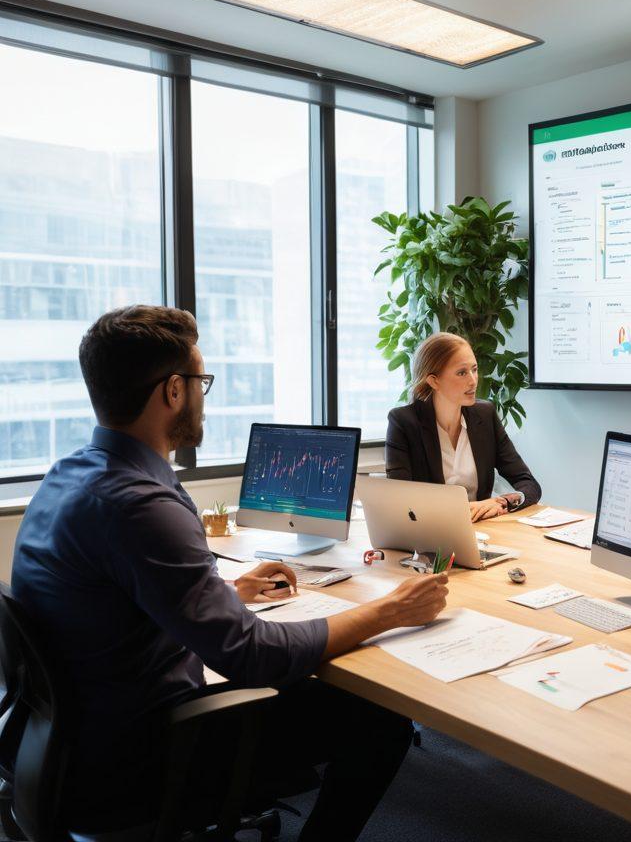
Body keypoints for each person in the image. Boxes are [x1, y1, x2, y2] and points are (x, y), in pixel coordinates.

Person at [11, 305, 449, 840]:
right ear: (173, 390)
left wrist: (226, 591)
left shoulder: (70, 473)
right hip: (143, 760)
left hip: (77, 748)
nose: (202, 396)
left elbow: (120, 596)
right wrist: (389, 611)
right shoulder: (140, 503)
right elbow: (252, 655)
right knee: (378, 721)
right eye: (202, 382)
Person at [385, 332, 541, 522]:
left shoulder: (485, 415)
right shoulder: (403, 422)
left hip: (486, 533)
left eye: (474, 370)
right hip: (433, 534)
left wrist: (501, 502)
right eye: (461, 373)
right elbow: (399, 500)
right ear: (434, 380)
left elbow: (529, 484)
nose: (473, 380)